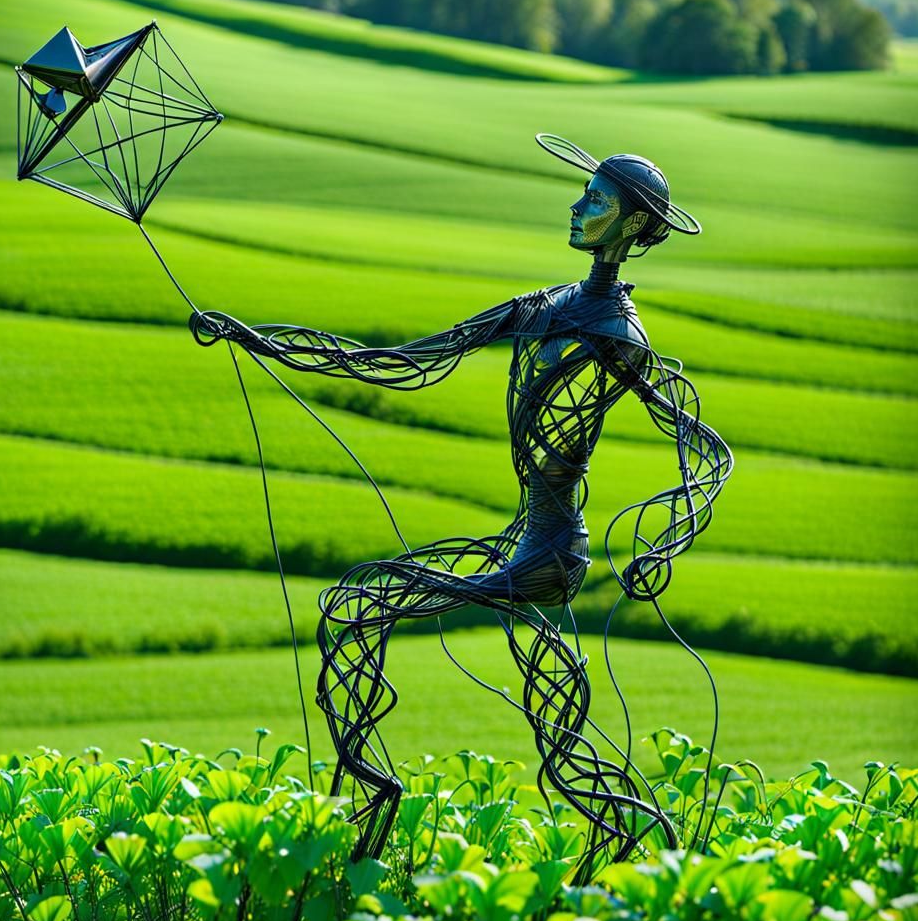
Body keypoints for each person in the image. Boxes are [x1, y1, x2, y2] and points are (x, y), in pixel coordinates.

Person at [191, 133, 733, 874]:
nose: (576, 207)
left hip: (550, 554)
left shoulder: (617, 336)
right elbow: (403, 361)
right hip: (520, 537)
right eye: (582, 194)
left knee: (357, 607)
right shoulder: (547, 305)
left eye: (596, 201)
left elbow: (705, 448)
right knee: (562, 741)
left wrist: (660, 541)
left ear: (635, 225)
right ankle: (623, 853)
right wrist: (258, 340)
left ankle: (374, 807)